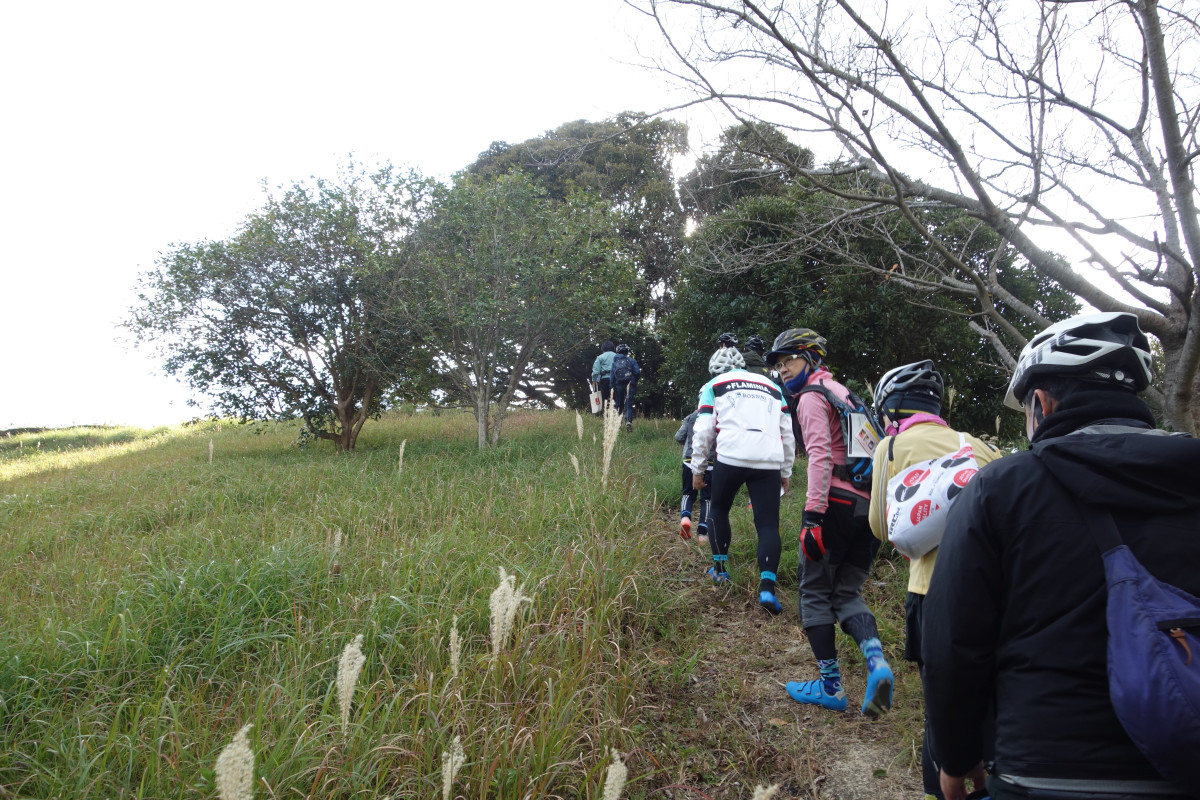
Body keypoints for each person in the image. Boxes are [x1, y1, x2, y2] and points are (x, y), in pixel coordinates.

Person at [923, 312, 1200, 800]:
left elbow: (954, 642)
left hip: (1045, 767)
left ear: (1041, 403)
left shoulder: (1002, 488)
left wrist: (956, 753)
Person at [868, 360, 1004, 800]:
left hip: (932, 592)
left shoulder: (890, 449)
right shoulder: (981, 447)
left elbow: (881, 528)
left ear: (891, 410)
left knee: (942, 707)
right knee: (992, 699)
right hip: (995, 593)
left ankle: (940, 789)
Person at [767, 327, 894, 717]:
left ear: (811, 358)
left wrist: (812, 517)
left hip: (834, 506)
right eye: (778, 363)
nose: (782, 369)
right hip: (869, 509)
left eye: (789, 359)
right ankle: (877, 664)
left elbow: (820, 456)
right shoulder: (846, 394)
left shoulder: (810, 397)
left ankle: (831, 687)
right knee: (848, 593)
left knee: (815, 591)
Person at [690, 346, 796, 613]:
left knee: (719, 509)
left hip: (731, 457)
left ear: (716, 369)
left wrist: (697, 469)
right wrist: (786, 471)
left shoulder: (714, 384)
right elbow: (787, 430)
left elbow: (703, 430)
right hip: (768, 460)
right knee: (769, 524)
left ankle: (720, 570)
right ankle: (767, 589)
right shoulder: (771, 386)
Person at [675, 406, 713, 543]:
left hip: (689, 461)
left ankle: (685, 518)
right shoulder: (719, 417)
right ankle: (702, 534)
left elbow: (679, 437)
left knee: (687, 493)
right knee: (707, 499)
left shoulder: (691, 416)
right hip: (710, 463)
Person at [610, 344, 641, 432]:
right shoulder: (631, 361)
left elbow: (612, 376)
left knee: (618, 404)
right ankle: (628, 422)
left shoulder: (615, 362)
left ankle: (617, 424)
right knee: (628, 404)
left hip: (618, 384)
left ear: (617, 352)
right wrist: (634, 381)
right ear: (627, 352)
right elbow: (637, 372)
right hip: (630, 384)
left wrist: (611, 386)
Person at [591, 341, 616, 410]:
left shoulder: (600, 357)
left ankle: (607, 415)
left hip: (605, 380)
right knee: (616, 398)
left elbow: (596, 371)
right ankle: (617, 415)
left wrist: (595, 380)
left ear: (603, 348)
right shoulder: (617, 356)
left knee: (606, 398)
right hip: (616, 379)